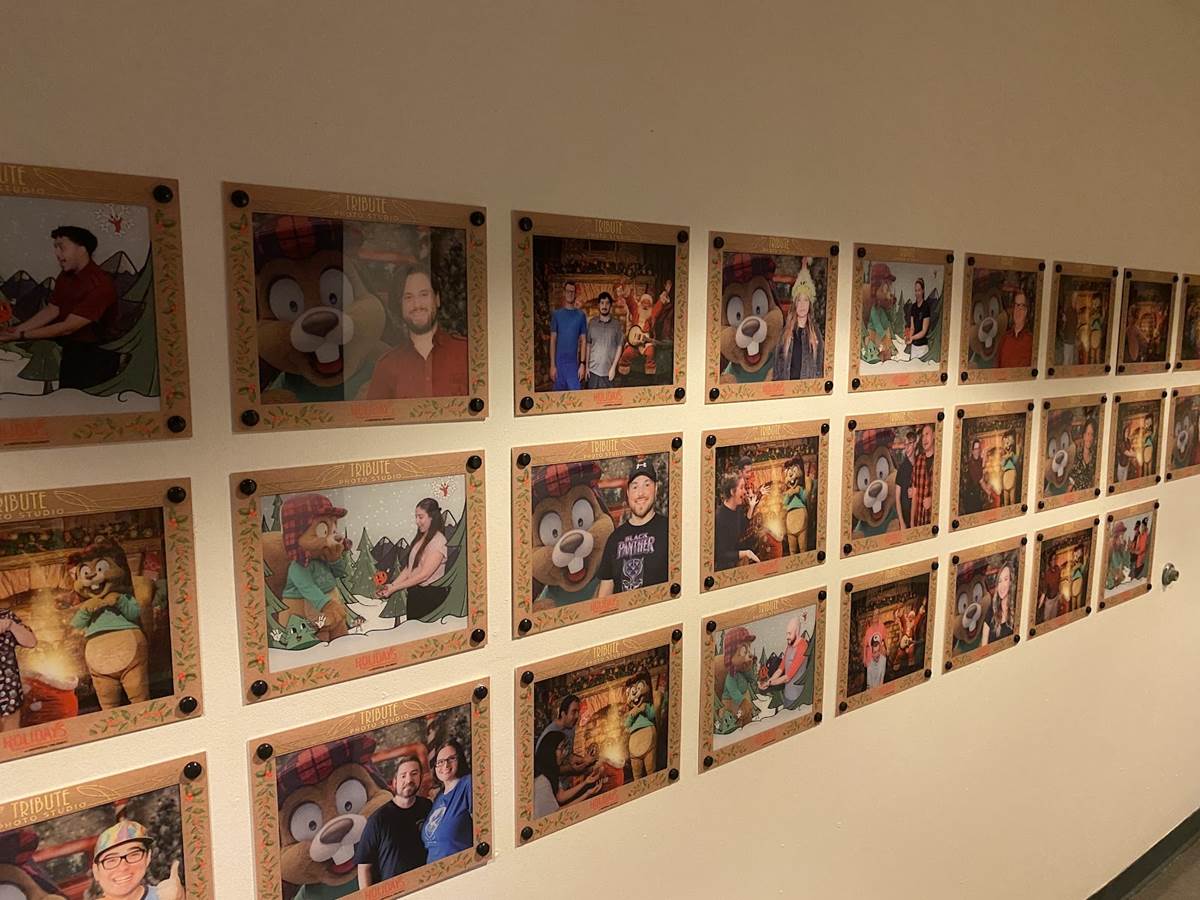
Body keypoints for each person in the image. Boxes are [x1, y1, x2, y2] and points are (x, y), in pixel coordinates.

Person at [0, 226, 121, 389]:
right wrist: (15, 331)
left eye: (62, 247)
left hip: (97, 355)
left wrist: (20, 335)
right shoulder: (66, 277)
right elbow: (52, 310)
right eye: (55, 248)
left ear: (82, 249)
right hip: (72, 350)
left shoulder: (100, 284)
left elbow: (68, 327)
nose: (57, 254)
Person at [365, 265, 469, 400]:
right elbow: (375, 413)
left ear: (437, 299)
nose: (417, 305)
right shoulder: (386, 366)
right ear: (400, 306)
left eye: (424, 295)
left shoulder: (466, 352)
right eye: (408, 297)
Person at [356, 756, 433, 888]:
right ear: (394, 782)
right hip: (395, 892)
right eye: (403, 776)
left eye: (414, 774)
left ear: (420, 778)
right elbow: (364, 867)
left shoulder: (427, 807)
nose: (409, 780)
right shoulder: (378, 819)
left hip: (426, 885)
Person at [596, 458, 669, 596]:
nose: (640, 493)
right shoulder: (614, 539)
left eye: (646, 485)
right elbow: (604, 596)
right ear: (628, 493)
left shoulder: (670, 530)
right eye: (635, 487)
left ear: (656, 489)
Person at [377, 498, 449, 623]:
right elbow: (410, 568)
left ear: (432, 517)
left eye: (420, 517)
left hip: (430, 598)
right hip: (416, 595)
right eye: (416, 517)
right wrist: (392, 585)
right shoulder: (421, 538)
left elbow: (424, 575)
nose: (417, 521)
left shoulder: (438, 541)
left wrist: (395, 588)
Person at [90, 820, 184, 900]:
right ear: (96, 871)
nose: (123, 867)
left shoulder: (166, 896)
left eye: (133, 855)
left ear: (147, 857)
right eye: (111, 860)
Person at [421, 740, 473, 863]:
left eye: (451, 759)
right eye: (440, 762)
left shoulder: (468, 784)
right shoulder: (439, 797)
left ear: (460, 760)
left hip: (460, 865)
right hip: (434, 869)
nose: (445, 765)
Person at [773, 264, 824, 380]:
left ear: (810, 304)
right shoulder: (786, 332)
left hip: (807, 388)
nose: (802, 305)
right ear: (795, 304)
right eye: (799, 300)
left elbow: (819, 366)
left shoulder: (815, 333)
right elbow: (777, 365)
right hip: (787, 387)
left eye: (805, 300)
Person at [533, 731, 601, 817]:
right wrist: (587, 794)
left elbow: (561, 796)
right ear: (550, 750)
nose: (565, 752)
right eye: (561, 748)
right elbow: (555, 814)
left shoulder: (551, 770)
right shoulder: (542, 782)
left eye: (565, 748)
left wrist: (586, 783)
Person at [536, 694, 596, 787]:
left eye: (578, 712)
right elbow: (548, 769)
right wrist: (571, 769)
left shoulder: (571, 726)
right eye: (574, 712)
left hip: (567, 781)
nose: (577, 716)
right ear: (563, 714)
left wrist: (584, 760)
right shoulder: (549, 735)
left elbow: (568, 755)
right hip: (553, 786)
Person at [758, 615, 813, 710]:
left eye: (789, 633)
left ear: (797, 631)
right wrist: (768, 681)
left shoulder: (802, 647)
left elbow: (787, 677)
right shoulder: (790, 645)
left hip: (796, 696)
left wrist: (769, 683)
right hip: (788, 694)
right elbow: (780, 669)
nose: (787, 637)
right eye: (787, 634)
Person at [0, 606, 35, 733]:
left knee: (12, 737)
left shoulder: (5, 614)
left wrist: (11, 625)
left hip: (10, 694)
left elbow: (31, 642)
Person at [714, 475, 760, 571]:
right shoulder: (720, 517)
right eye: (741, 487)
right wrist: (746, 553)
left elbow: (742, 528)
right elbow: (721, 555)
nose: (745, 491)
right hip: (725, 569)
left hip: (737, 561)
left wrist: (751, 507)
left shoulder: (737, 508)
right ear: (732, 492)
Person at [549, 281, 587, 391]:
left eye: (572, 292)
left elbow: (583, 340)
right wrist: (552, 365)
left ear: (575, 294)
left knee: (576, 397)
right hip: (559, 365)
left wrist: (582, 364)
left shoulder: (581, 315)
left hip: (574, 365)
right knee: (558, 398)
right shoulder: (556, 315)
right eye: (568, 291)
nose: (570, 294)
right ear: (564, 293)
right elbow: (553, 340)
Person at [585, 291, 622, 389]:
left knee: (607, 398)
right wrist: (586, 367)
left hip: (608, 372)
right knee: (592, 398)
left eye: (607, 303)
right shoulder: (592, 323)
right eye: (602, 303)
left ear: (610, 306)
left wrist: (613, 367)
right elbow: (588, 345)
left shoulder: (616, 325)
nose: (604, 306)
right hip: (593, 372)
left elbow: (619, 346)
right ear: (598, 305)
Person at [997, 289, 1034, 368]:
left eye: (1022, 306)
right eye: (1016, 305)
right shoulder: (1005, 338)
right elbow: (997, 367)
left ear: (1027, 311)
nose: (1018, 310)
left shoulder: (1031, 341)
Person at [911, 424, 936, 527]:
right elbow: (914, 493)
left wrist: (933, 500)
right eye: (922, 436)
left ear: (934, 435)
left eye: (927, 434)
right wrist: (912, 522)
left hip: (934, 522)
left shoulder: (941, 460)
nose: (924, 439)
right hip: (920, 522)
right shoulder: (918, 461)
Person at [984, 562, 1015, 643]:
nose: (1002, 585)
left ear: (1011, 582)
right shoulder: (991, 610)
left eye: (1006, 579)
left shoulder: (1016, 610)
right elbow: (984, 645)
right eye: (999, 581)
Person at [903, 277, 932, 360]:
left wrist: (912, 338)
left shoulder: (926, 307)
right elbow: (912, 327)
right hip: (914, 347)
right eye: (916, 290)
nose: (917, 293)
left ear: (923, 291)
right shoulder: (913, 307)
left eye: (919, 290)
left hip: (923, 347)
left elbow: (923, 331)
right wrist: (909, 337)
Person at [895, 430, 917, 529]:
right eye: (905, 445)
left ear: (915, 444)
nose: (906, 448)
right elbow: (897, 498)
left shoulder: (920, 463)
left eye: (909, 444)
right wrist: (901, 522)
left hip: (918, 517)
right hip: (905, 519)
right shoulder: (902, 468)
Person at [1070, 418, 1098, 490]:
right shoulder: (1075, 455)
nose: (1090, 438)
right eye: (1088, 434)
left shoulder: (1095, 458)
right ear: (1084, 435)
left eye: (1092, 435)